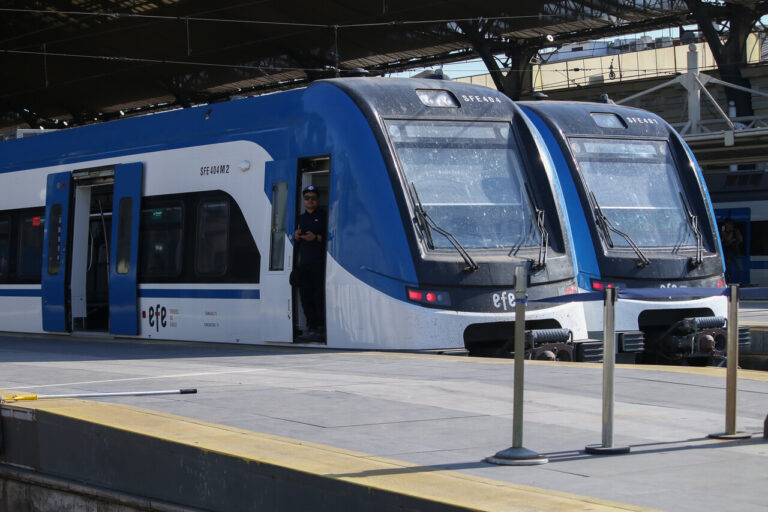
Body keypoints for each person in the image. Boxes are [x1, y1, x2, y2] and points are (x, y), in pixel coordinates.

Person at [294, 185, 327, 339]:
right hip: (304, 264)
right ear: (303, 200)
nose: (310, 201)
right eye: (307, 198)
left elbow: (330, 237)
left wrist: (316, 238)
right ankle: (310, 326)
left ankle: (321, 327)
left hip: (319, 263)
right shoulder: (300, 218)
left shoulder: (324, 216)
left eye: (313, 198)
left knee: (318, 296)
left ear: (318, 200)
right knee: (305, 297)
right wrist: (296, 236)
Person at [721, 219, 743, 284]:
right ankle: (729, 282)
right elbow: (727, 239)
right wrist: (730, 231)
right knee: (729, 269)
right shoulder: (724, 231)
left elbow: (741, 240)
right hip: (728, 252)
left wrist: (737, 233)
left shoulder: (736, 231)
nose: (730, 225)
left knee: (740, 268)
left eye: (730, 224)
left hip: (736, 252)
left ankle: (740, 281)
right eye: (728, 224)